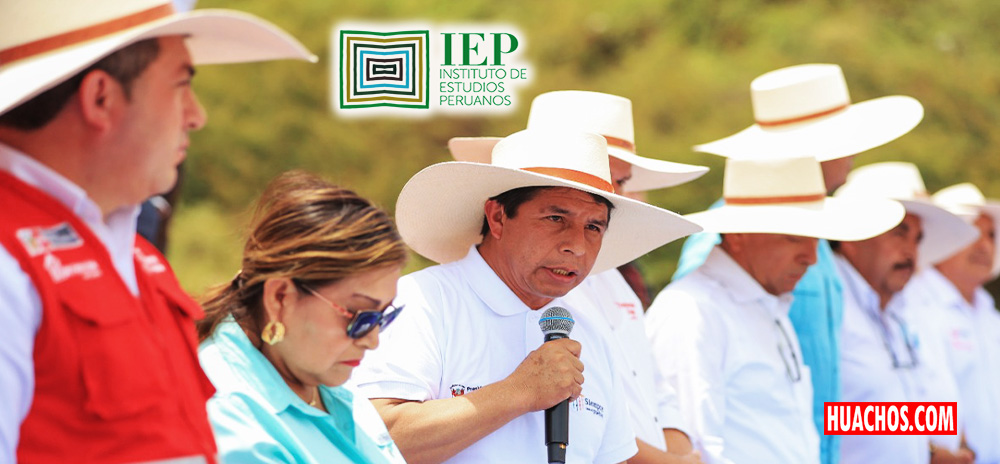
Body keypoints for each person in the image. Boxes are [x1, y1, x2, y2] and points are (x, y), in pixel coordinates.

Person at [0, 1, 313, 462]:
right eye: (181, 84)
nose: (196, 115)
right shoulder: (11, 258)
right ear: (101, 98)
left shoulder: (133, 255)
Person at [354, 129, 701, 464]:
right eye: (555, 218)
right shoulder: (423, 302)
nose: (577, 246)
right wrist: (518, 391)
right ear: (497, 217)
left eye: (594, 227)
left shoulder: (592, 334)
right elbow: (372, 440)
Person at [672, 63, 924, 464]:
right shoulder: (732, 237)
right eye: (847, 141)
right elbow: (695, 361)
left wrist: (926, 431)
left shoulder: (816, 241)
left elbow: (828, 393)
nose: (854, 154)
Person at [448, 89, 707, 463]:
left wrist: (680, 456)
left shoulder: (611, 287)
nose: (610, 190)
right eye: (556, 217)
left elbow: (651, 389)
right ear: (499, 217)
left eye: (619, 180)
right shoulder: (528, 287)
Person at [646, 154, 904, 464]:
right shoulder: (692, 312)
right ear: (738, 235)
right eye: (793, 237)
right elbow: (694, 450)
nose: (811, 257)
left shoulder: (767, 306)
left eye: (816, 239)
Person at [195, 171, 408, 464]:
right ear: (280, 297)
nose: (372, 341)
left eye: (382, 317)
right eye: (359, 317)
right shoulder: (230, 419)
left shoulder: (321, 373)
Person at [832, 162, 978, 464]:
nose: (911, 251)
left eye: (917, 239)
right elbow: (819, 411)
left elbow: (889, 401)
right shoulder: (826, 302)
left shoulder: (894, 310)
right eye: (899, 233)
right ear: (852, 235)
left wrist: (942, 446)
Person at [904, 182, 1000, 463]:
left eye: (991, 235)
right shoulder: (912, 305)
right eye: (970, 233)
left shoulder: (990, 314)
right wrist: (935, 450)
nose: (984, 245)